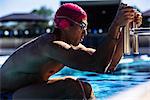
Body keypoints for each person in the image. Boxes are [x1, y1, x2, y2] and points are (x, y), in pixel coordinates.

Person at [0, 3, 142, 99]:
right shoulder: (50, 46)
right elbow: (98, 65)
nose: (85, 33)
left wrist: (125, 28)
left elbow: (109, 65)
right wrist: (115, 25)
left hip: (26, 91)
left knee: (85, 87)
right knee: (70, 87)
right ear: (65, 25)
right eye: (82, 26)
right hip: (7, 95)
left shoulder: (69, 46)